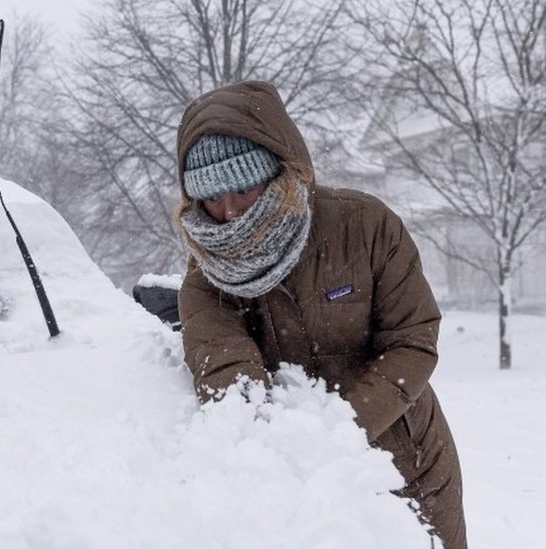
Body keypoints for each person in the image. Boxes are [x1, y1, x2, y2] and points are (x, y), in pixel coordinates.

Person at [173, 80, 467, 549]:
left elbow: (412, 340)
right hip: (295, 482)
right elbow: (224, 365)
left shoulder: (366, 225)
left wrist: (340, 429)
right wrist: (275, 448)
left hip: (406, 459)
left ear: (277, 172)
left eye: (242, 188)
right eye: (210, 197)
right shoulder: (205, 274)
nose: (227, 212)